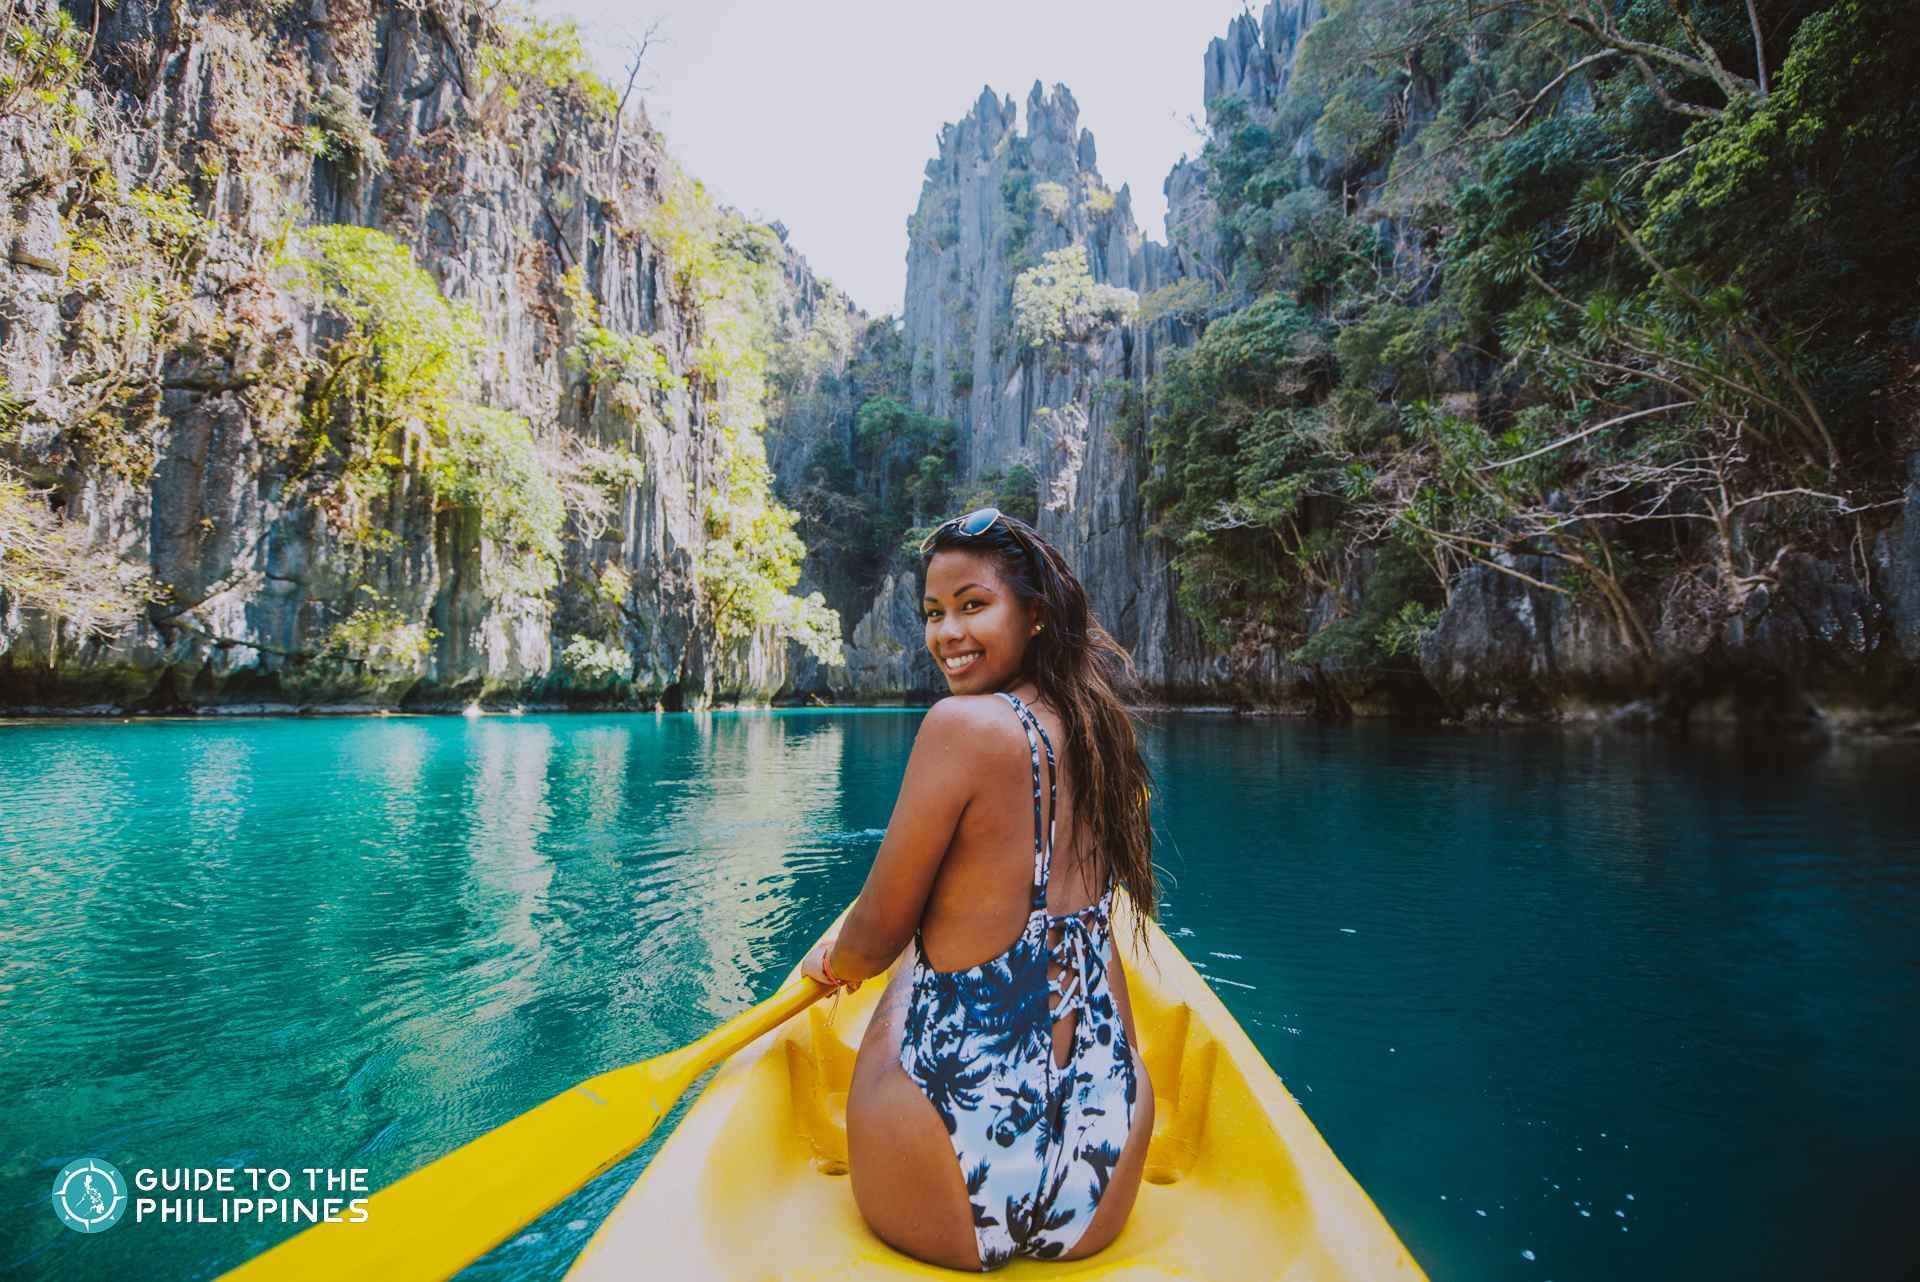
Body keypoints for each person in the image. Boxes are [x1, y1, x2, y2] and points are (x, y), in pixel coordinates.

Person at [800, 507, 1158, 1271]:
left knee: (909, 970)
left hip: (947, 1177)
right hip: (1101, 1163)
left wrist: (833, 963)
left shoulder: (960, 725)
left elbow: (875, 938)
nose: (947, 634)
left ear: (1032, 614)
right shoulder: (1100, 727)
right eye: (934, 613)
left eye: (973, 604)